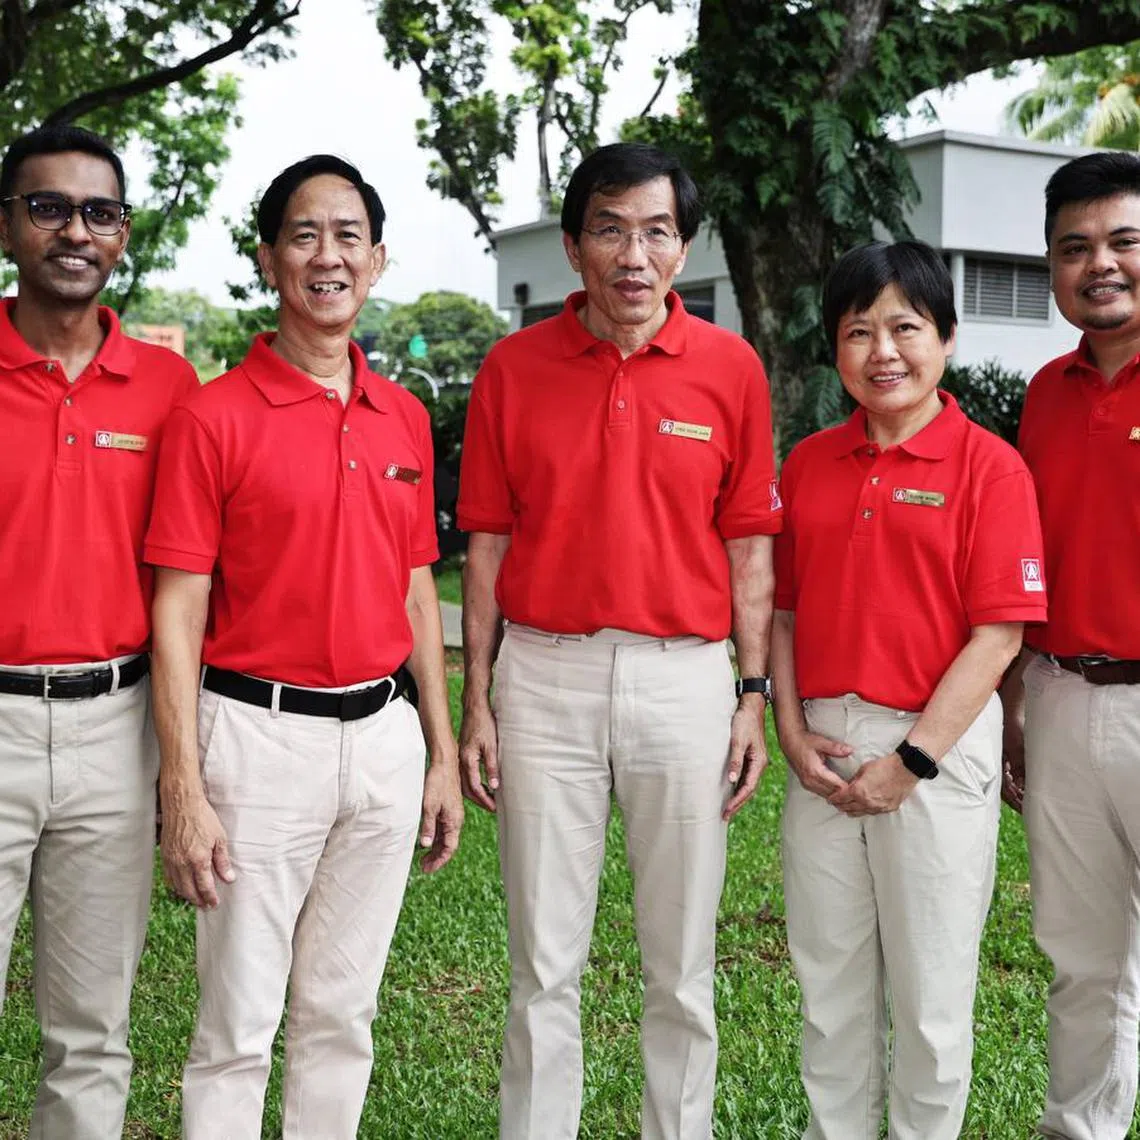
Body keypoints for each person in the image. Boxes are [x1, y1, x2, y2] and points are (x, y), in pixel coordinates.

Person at [458, 141, 781, 1140]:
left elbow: (751, 557)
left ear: (683, 248)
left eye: (656, 231)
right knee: (542, 964)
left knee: (679, 965)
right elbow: (483, 552)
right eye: (610, 229)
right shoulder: (512, 370)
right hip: (543, 680)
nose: (633, 254)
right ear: (572, 245)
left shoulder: (731, 370)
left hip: (684, 684)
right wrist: (478, 699)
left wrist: (752, 694)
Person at [144, 154, 463, 1140]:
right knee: (238, 1024)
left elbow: (418, 592)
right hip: (254, 736)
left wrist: (441, 757)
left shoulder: (403, 414)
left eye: (348, 236)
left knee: (341, 1014)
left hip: (381, 742)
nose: (328, 255)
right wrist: (184, 788)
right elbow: (176, 613)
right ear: (269, 257)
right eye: (305, 234)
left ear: (375, 260)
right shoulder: (211, 416)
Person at [771, 240, 1047, 1140]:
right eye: (859, 332)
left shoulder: (989, 467)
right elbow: (781, 612)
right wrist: (789, 728)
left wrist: (912, 760)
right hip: (823, 747)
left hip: (933, 746)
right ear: (836, 350)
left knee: (929, 1006)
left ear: (948, 339)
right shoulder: (808, 464)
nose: (882, 352)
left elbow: (998, 634)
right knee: (830, 993)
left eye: (905, 328)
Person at [0, 124, 197, 1139]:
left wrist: (182, 766)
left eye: (100, 212)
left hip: (115, 731)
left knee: (90, 1032)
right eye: (48, 207)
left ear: (121, 235)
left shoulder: (173, 393)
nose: (75, 231)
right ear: (7, 226)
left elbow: (192, 585)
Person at [1002, 151, 1140, 1140]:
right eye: (1075, 247)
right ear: (1051, 266)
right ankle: (1080, 1128)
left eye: (1126, 241)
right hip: (1058, 696)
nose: (1101, 264)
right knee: (1081, 952)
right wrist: (1012, 706)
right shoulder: (1043, 395)